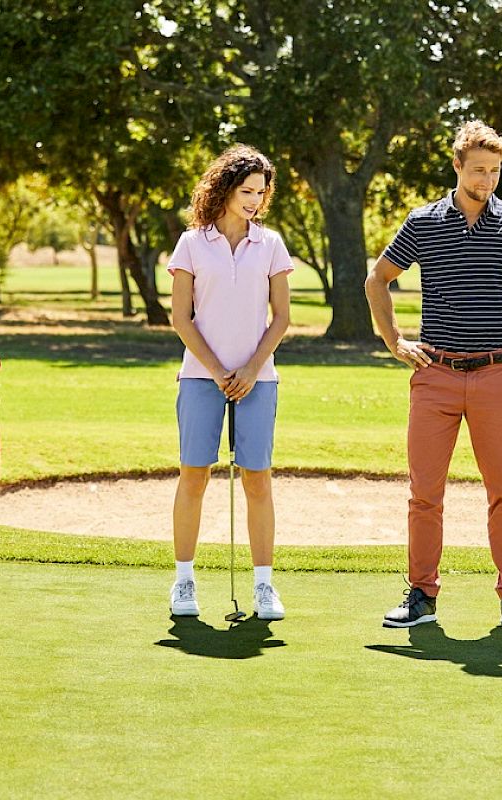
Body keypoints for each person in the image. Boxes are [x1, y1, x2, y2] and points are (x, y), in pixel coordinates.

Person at [365, 120, 502, 633]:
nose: (487, 180)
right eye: (478, 170)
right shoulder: (423, 221)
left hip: (495, 375)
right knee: (425, 492)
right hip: (434, 374)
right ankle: (421, 594)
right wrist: (394, 341)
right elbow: (378, 278)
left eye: (495, 170)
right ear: (457, 166)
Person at [166, 144, 293, 621]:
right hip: (201, 377)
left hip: (259, 380)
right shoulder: (192, 243)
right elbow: (181, 318)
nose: (255, 200)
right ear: (223, 188)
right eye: (247, 190)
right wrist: (220, 371)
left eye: (262, 192)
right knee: (194, 475)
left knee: (257, 480)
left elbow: (280, 319)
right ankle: (183, 582)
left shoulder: (272, 244)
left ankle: (264, 585)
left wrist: (251, 368)